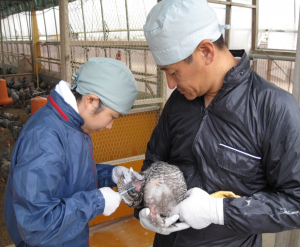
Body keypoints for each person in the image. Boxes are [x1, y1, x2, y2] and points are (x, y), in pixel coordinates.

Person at [134, 0, 300, 246]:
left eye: (174, 72)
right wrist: (143, 204)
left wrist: (219, 211)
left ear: (206, 52)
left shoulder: (273, 108)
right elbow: (153, 163)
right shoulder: (178, 103)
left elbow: (295, 203)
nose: (169, 84)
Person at [4, 57, 143, 247]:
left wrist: (109, 174)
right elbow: (36, 226)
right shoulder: (44, 137)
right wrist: (97, 202)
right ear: (91, 100)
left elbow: (68, 174)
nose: (110, 126)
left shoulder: (73, 125)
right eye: (112, 117)